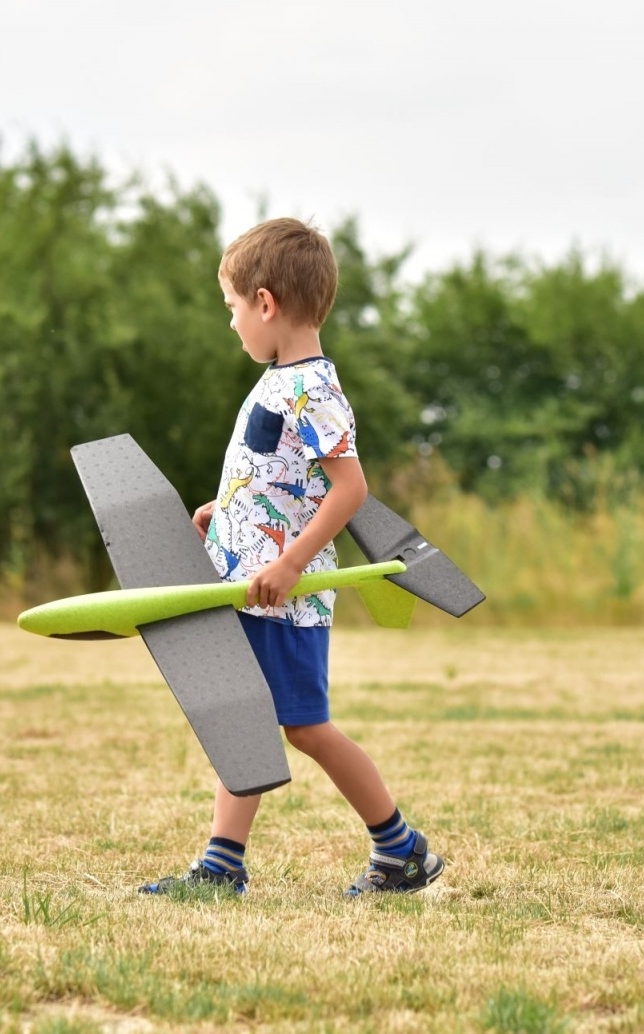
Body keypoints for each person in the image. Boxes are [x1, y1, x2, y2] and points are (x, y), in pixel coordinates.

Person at [140, 218, 444, 898]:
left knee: (305, 728)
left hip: (282, 600)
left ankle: (401, 850)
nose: (232, 325)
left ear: (266, 303)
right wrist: (229, 511)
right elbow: (284, 477)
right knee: (240, 716)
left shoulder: (311, 388)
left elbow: (349, 488)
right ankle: (223, 865)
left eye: (233, 309)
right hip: (248, 584)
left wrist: (290, 566)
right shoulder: (284, 381)